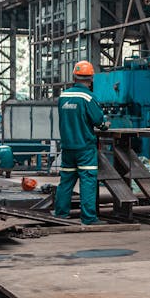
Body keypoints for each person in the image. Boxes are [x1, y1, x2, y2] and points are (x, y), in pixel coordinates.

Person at [55, 61, 109, 225]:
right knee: (87, 181)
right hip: (84, 147)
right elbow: (98, 120)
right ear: (91, 78)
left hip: (67, 146)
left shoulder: (63, 96)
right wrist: (104, 126)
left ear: (74, 76)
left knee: (66, 180)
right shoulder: (88, 97)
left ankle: (61, 213)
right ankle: (88, 218)